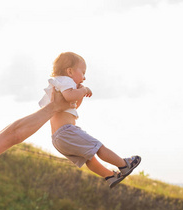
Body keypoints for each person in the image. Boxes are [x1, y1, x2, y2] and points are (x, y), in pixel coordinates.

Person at [39, 52, 141, 188]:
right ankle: (124, 165)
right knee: (98, 147)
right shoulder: (64, 80)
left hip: (58, 139)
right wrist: (84, 90)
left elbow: (72, 106)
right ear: (69, 71)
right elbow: (69, 97)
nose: (84, 77)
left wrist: (80, 94)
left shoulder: (59, 86)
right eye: (82, 72)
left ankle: (109, 176)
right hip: (66, 132)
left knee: (88, 157)